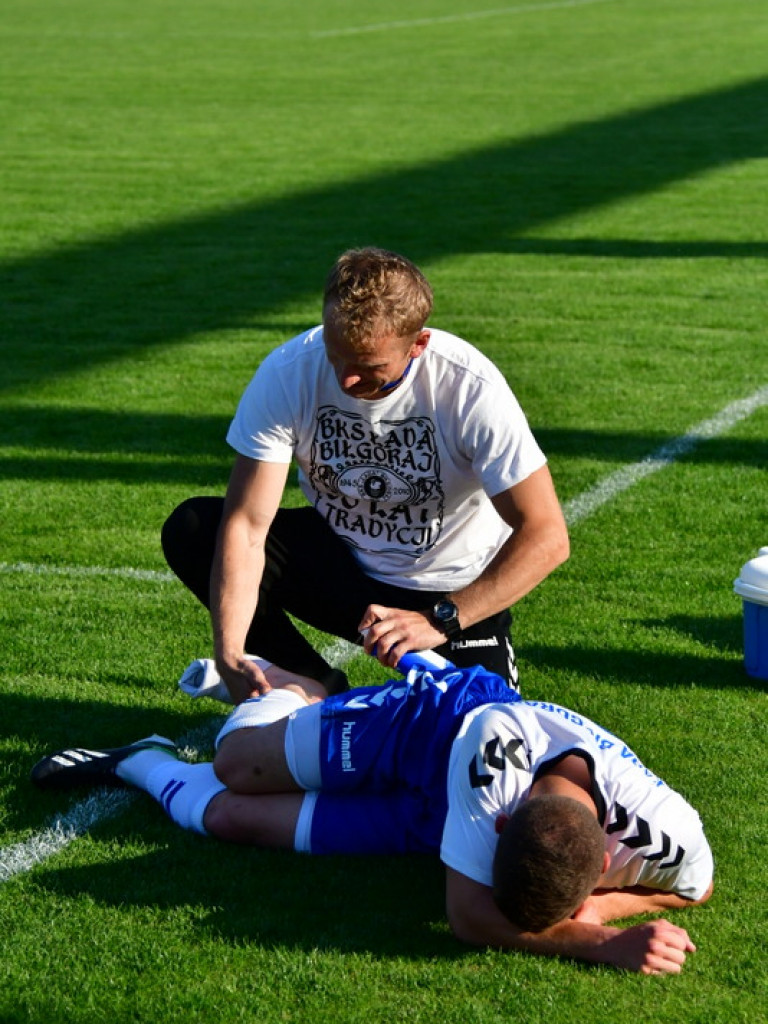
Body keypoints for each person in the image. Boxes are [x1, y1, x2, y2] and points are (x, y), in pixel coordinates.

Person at [31, 658, 713, 975]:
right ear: (498, 826)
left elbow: (699, 886)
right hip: (429, 727)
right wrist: (598, 942)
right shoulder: (494, 750)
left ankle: (137, 761)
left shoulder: (671, 832)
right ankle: (292, 685)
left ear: (607, 859)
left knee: (229, 819)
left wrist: (607, 905)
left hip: (440, 815)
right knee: (236, 762)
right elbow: (470, 917)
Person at [160, 247, 569, 703]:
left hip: (446, 590)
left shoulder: (468, 387)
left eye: (369, 367)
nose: (346, 380)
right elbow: (248, 526)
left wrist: (439, 619)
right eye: (337, 356)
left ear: (418, 344)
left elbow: (546, 534)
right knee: (195, 528)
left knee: (477, 726)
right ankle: (311, 688)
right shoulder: (289, 371)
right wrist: (230, 651)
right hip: (342, 564)